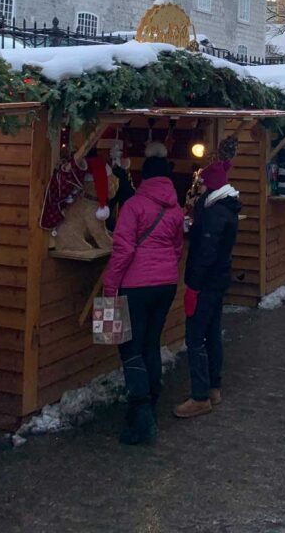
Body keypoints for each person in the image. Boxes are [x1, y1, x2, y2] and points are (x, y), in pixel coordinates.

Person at [102, 144, 184, 444]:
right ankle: (151, 401)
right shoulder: (174, 208)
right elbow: (176, 248)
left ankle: (141, 415)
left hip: (135, 285)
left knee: (129, 347)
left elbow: (123, 249)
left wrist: (110, 285)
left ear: (144, 177)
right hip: (166, 285)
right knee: (150, 343)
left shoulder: (135, 205)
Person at [173, 158, 241, 419]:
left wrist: (194, 284)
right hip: (219, 279)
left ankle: (200, 395)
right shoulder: (224, 207)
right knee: (212, 333)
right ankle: (213, 387)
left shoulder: (215, 213)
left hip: (207, 281)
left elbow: (205, 253)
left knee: (195, 338)